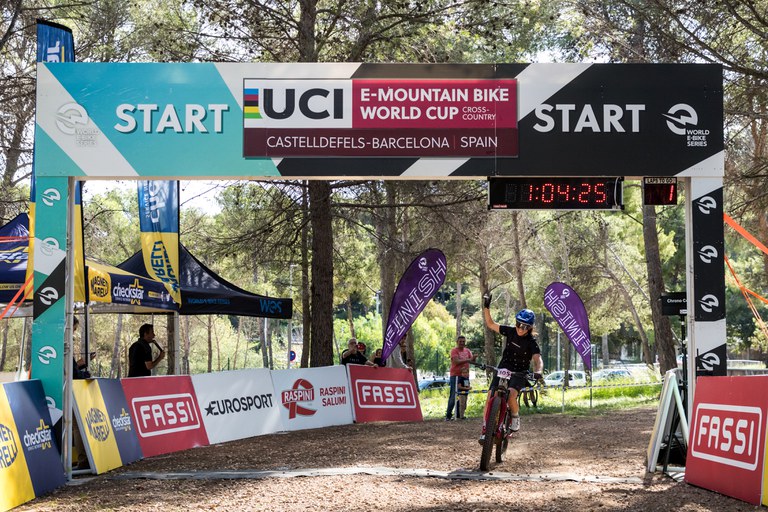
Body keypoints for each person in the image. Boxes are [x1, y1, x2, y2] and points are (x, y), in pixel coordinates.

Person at [480, 294, 543, 441]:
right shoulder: (510, 331)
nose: (521, 328)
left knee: (511, 395)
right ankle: (485, 429)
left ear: (530, 328)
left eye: (525, 326)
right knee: (490, 395)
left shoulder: (531, 342)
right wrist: (486, 307)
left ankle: (515, 416)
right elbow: (490, 324)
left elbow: (537, 359)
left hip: (519, 372)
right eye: (519, 324)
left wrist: (538, 371)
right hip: (504, 367)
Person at [446, 335, 475, 421]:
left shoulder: (467, 351)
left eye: (463, 341)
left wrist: (474, 358)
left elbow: (472, 361)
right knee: (454, 395)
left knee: (464, 395)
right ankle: (448, 415)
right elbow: (456, 361)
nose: (462, 343)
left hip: (465, 376)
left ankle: (460, 414)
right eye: (460, 341)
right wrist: (468, 360)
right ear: (457, 342)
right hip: (456, 375)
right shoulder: (454, 351)